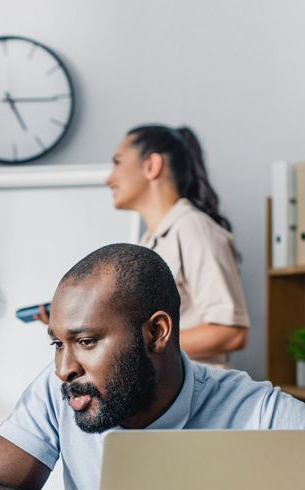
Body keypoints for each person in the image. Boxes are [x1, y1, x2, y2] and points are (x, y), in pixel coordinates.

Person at [0, 244, 305, 490]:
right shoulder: (61, 389)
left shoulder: (256, 412)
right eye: (57, 343)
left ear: (157, 332)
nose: (65, 366)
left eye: (85, 341)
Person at [105, 124, 248, 367]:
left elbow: (231, 332)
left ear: (152, 166)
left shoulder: (193, 228)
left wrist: (134, 347)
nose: (109, 179)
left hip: (196, 399)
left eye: (118, 162)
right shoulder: (147, 243)